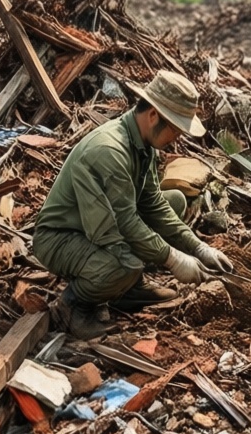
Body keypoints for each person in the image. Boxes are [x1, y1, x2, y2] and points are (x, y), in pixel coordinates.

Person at [32, 69, 233, 339]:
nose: (177, 139)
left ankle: (127, 289)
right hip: (61, 237)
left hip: (96, 226)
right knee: (124, 264)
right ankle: (73, 305)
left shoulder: (142, 145)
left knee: (173, 201)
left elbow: (153, 204)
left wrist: (197, 247)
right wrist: (172, 259)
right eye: (175, 129)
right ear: (153, 116)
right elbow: (124, 224)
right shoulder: (111, 151)